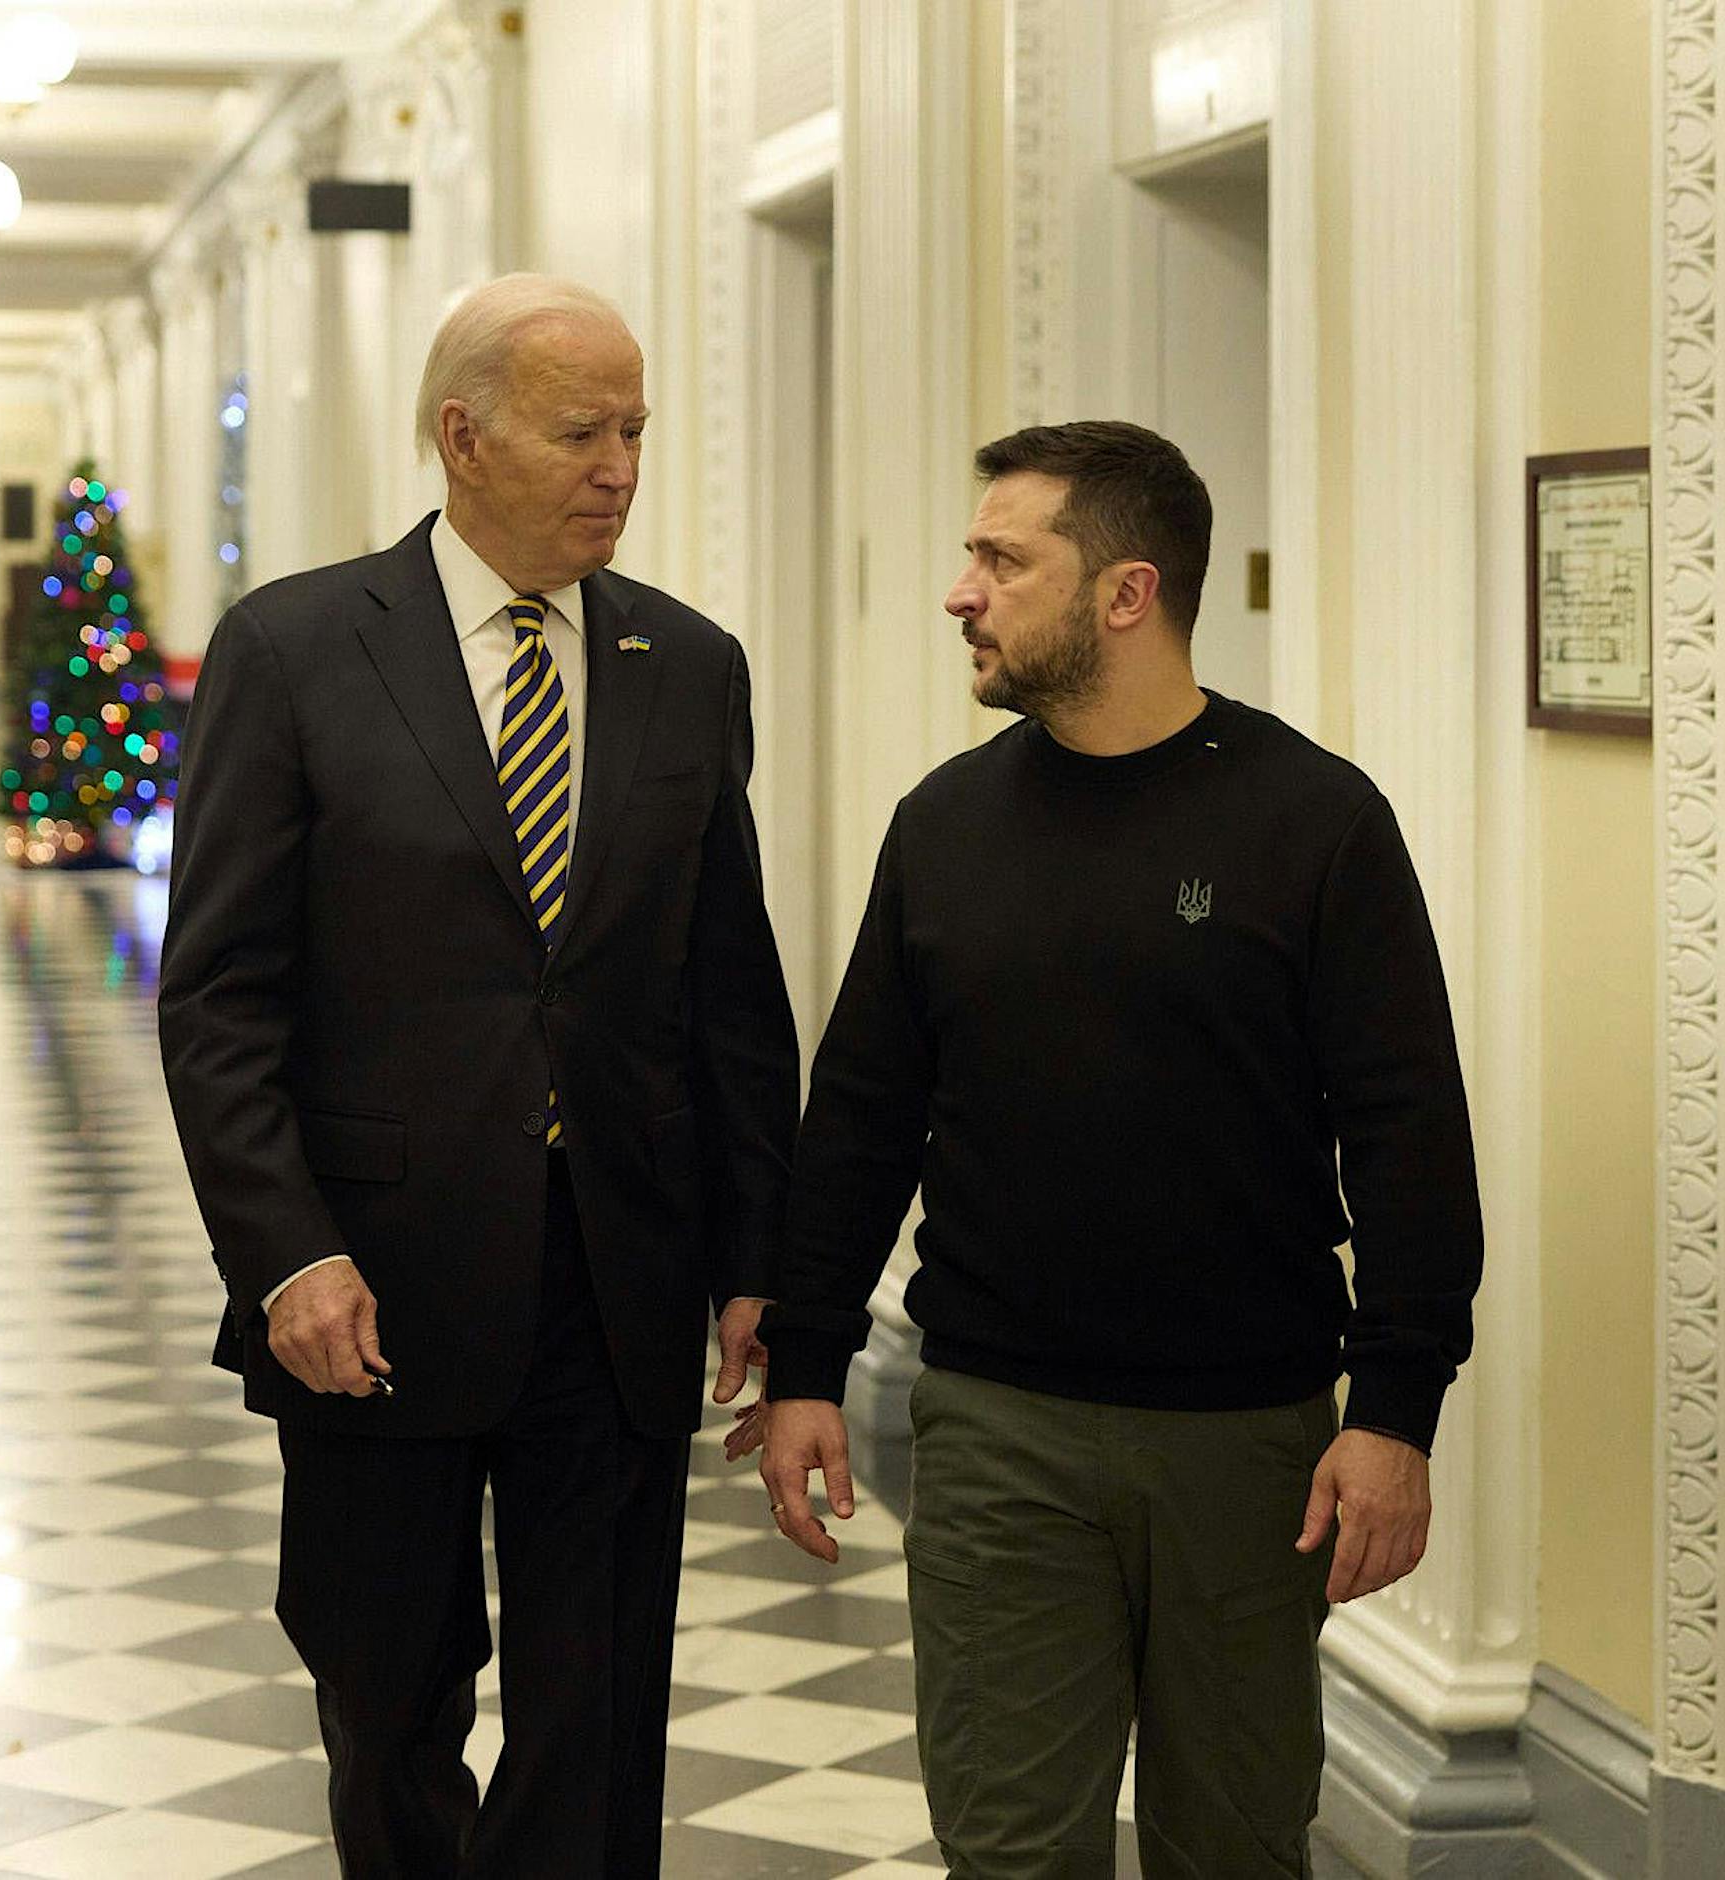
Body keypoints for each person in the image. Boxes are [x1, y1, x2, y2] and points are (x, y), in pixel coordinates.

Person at [752, 421, 1482, 1878]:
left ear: (1125, 592)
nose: (961, 589)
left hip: (1251, 1443)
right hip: (996, 1429)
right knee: (1008, 1845)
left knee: (1235, 1844)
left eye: (1002, 559)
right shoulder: (943, 825)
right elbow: (861, 1117)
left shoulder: (1314, 821)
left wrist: (1396, 1411)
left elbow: (1408, 1130)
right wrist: (807, 1361)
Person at [158, 273, 799, 1879]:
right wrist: (287, 1254)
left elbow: (728, 994)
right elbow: (221, 997)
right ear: (462, 436)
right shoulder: (296, 650)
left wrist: (756, 1258)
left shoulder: (687, 662)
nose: (620, 468)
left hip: (616, 1272)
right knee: (388, 1702)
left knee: (597, 1715)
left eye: (636, 430)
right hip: (373, 1286)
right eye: (581, 432)